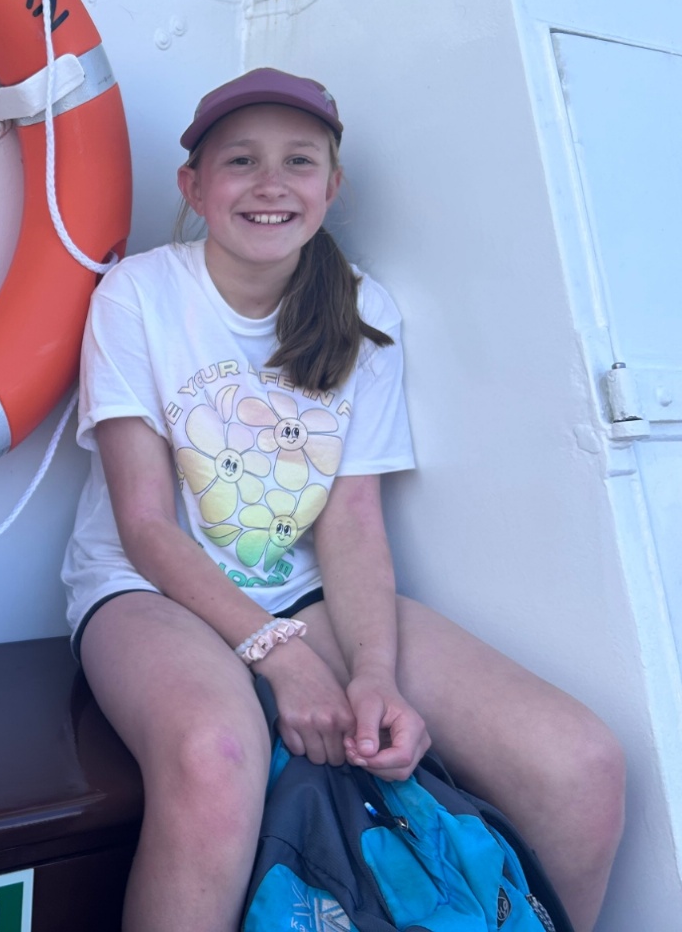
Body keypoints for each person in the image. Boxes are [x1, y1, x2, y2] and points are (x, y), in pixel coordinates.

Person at [61, 68, 626, 932]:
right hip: (147, 591)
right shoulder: (139, 295)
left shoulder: (364, 310)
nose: (271, 183)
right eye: (240, 160)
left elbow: (352, 520)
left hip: (305, 592)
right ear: (194, 187)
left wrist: (373, 677)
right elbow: (144, 525)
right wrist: (282, 659)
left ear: (332, 186)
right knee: (216, 757)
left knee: (579, 764)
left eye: (299, 160)